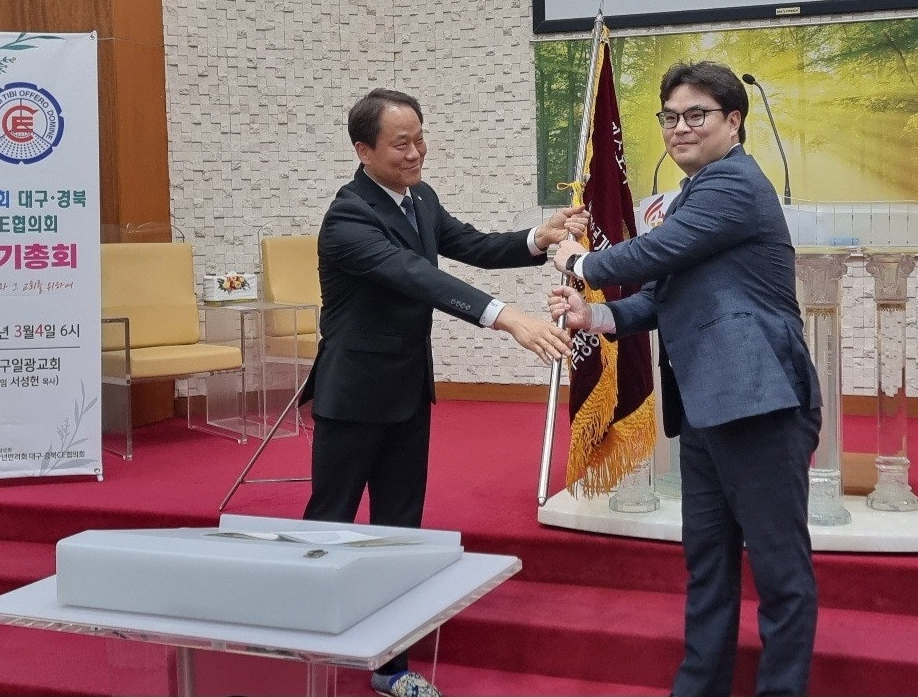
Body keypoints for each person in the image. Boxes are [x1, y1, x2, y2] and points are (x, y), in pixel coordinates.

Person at [549, 61, 822, 697]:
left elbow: (652, 254)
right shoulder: (693, 195)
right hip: (705, 407)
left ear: (734, 121)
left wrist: (579, 261)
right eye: (670, 117)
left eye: (697, 114)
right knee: (707, 568)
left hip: (760, 405)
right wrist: (595, 315)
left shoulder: (734, 183)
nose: (680, 128)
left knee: (781, 575)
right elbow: (662, 293)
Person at [303, 87, 585, 697]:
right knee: (328, 525)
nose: (415, 153)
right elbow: (418, 278)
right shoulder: (348, 218)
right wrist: (508, 318)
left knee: (402, 529)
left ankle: (390, 666)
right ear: (364, 150)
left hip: (408, 391)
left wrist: (539, 237)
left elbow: (474, 246)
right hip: (353, 396)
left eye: (420, 139)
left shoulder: (421, 199)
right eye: (400, 143)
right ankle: (306, 656)